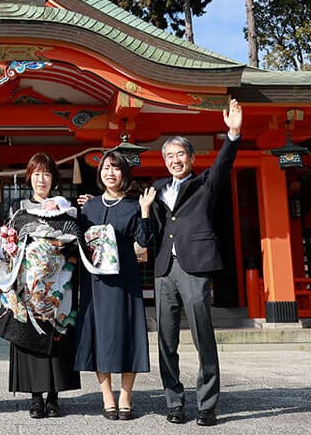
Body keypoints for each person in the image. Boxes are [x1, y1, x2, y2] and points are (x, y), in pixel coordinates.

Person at [150, 98, 242, 427]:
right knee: (166, 340)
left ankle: (207, 404)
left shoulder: (205, 184)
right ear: (165, 161)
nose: (175, 160)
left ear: (191, 158)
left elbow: (222, 168)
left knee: (203, 337)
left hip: (195, 268)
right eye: (169, 156)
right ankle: (174, 403)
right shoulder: (157, 190)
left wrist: (232, 134)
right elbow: (147, 228)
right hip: (164, 271)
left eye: (180, 155)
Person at [0, 152, 81, 418]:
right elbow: (7, 245)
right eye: (36, 174)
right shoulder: (20, 212)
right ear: (29, 179)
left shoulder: (67, 211)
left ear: (54, 179)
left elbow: (78, 243)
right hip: (28, 289)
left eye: (45, 174)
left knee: (57, 338)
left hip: (60, 286)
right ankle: (35, 398)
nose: (40, 179)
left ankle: (54, 397)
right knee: (31, 336)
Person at [75, 150, 155, 420]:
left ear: (124, 173)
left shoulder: (133, 206)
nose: (110, 173)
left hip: (125, 279)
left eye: (116, 168)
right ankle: (107, 395)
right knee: (102, 337)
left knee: (127, 335)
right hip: (96, 282)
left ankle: (126, 396)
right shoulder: (90, 207)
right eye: (106, 168)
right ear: (100, 173)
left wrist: (144, 211)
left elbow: (143, 244)